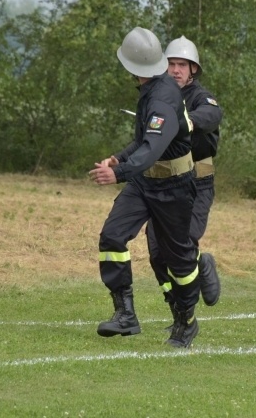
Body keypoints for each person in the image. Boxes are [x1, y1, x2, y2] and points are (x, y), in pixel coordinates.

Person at [89, 26, 201, 348]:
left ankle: (186, 321)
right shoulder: (150, 88)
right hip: (144, 182)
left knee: (178, 262)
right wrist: (118, 157)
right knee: (112, 236)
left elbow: (152, 149)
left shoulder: (164, 98)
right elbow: (142, 141)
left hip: (174, 187)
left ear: (132, 66)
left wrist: (119, 172)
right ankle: (125, 315)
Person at [145, 36, 222, 328]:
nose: (176, 70)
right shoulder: (157, 97)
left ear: (193, 70)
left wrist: (186, 121)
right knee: (156, 253)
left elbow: (212, 115)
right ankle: (178, 312)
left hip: (197, 182)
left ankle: (202, 261)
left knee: (184, 242)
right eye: (171, 64)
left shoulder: (202, 98)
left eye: (182, 65)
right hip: (161, 183)